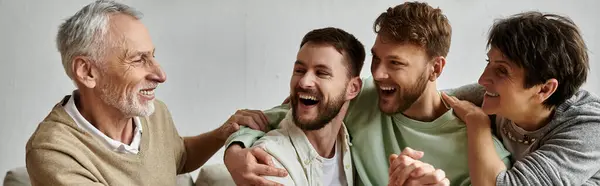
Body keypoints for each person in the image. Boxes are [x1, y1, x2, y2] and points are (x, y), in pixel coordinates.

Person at [222, 2, 511, 186]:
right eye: (376, 59)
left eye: (395, 63)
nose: (378, 73)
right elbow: (276, 118)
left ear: (435, 69)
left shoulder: (478, 146)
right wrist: (234, 153)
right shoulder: (361, 96)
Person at [25, 1, 247, 185]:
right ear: (87, 71)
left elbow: (177, 156)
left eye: (152, 56)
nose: (160, 74)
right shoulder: (53, 152)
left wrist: (223, 134)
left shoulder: (154, 112)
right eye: (139, 59)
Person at [441, 11, 600, 185]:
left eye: (502, 70)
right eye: (489, 63)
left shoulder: (589, 128)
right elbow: (429, 101)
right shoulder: (497, 97)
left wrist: (478, 124)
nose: (482, 79)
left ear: (544, 90)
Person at [251, 27, 363, 186]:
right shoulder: (269, 158)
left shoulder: (349, 143)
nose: (304, 82)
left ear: (352, 88)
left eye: (321, 73)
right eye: (299, 70)